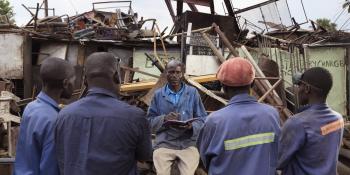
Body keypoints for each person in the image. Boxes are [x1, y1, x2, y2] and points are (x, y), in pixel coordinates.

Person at [55, 52, 152, 175]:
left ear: (85, 81)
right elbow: (144, 156)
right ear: (116, 76)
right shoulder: (135, 117)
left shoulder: (64, 115)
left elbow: (61, 157)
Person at [197, 57, 281, 175]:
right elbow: (278, 152)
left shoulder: (214, 121)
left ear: (224, 87)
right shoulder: (271, 114)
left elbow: (205, 160)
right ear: (252, 83)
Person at [14, 57, 75, 175]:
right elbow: (49, 168)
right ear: (65, 83)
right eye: (74, 80)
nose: (75, 85)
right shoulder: (54, 120)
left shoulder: (31, 107)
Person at [278, 67, 344, 175]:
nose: (297, 90)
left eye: (299, 86)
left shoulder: (297, 123)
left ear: (307, 88)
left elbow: (278, 161)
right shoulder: (338, 119)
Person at [147, 60, 207, 175]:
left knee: (188, 173)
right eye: (171, 72)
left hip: (188, 143)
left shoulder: (192, 92)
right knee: (161, 172)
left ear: (182, 74)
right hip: (164, 143)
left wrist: (191, 127)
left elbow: (203, 118)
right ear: (166, 74)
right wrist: (164, 119)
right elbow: (149, 122)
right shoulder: (158, 94)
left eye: (178, 72)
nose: (174, 76)